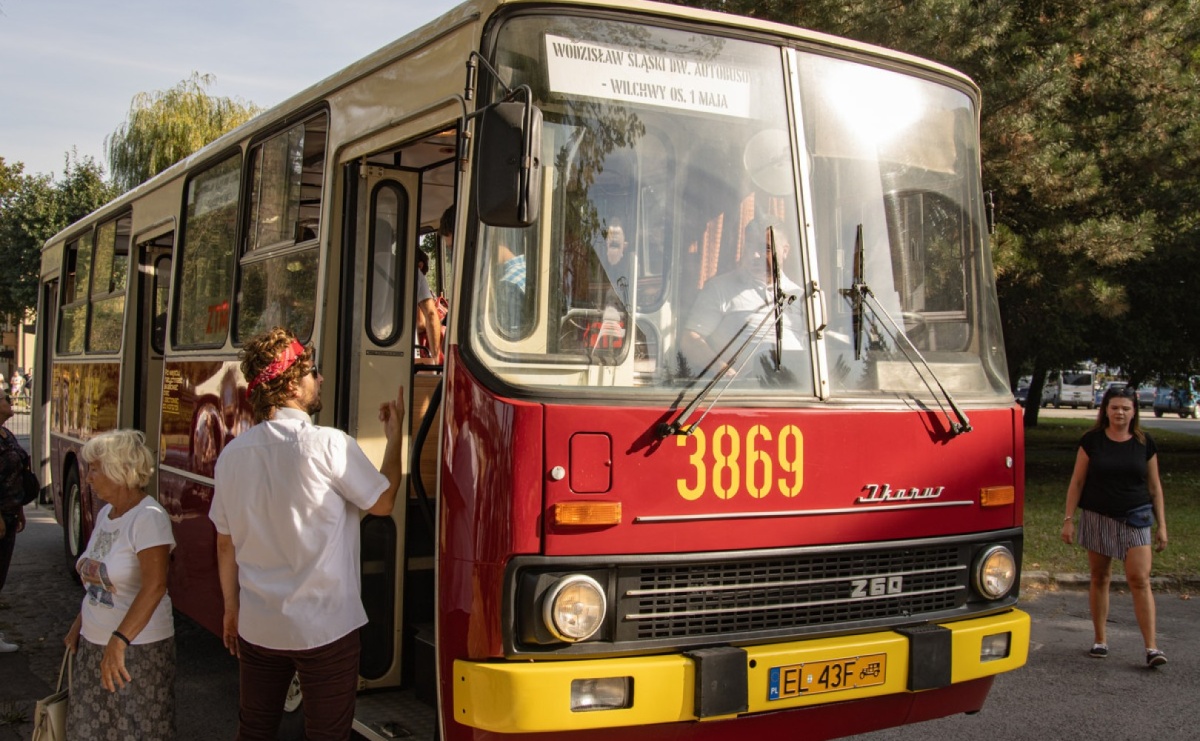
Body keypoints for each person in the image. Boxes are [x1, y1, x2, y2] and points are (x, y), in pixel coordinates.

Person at [211, 327, 405, 740]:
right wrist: (394, 441)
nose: (319, 380)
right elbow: (383, 503)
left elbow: (225, 542)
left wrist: (231, 608)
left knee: (255, 729)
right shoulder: (329, 445)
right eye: (312, 373)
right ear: (292, 385)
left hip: (260, 625)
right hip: (325, 627)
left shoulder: (232, 457)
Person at [64, 429, 176, 738]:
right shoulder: (106, 515)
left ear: (120, 470)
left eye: (95, 469)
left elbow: (154, 587)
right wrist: (80, 621)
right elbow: (97, 579)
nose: (88, 478)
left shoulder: (149, 517)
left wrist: (119, 640)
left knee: (135, 730)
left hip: (135, 649)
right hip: (96, 643)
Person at [1061, 384, 1169, 667]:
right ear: (1105, 410)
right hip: (1098, 515)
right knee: (1099, 577)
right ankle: (1100, 639)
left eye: (1125, 408)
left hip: (1136, 516)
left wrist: (1162, 526)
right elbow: (1077, 481)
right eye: (1114, 408)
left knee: (1139, 579)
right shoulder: (1092, 440)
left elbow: (1155, 487)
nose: (1120, 412)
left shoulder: (1145, 442)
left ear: (1134, 412)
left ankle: (1152, 648)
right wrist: (1069, 519)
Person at [679, 218, 807, 380]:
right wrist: (725, 372)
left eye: (764, 248)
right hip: (744, 390)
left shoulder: (800, 295)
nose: (754, 255)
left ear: (785, 251)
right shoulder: (720, 288)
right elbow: (690, 340)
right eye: (749, 247)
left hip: (798, 389)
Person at [0, 392, 28, 652]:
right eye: (4, 399)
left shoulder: (7, 435)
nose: (10, 402)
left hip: (10, 511)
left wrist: (19, 509)